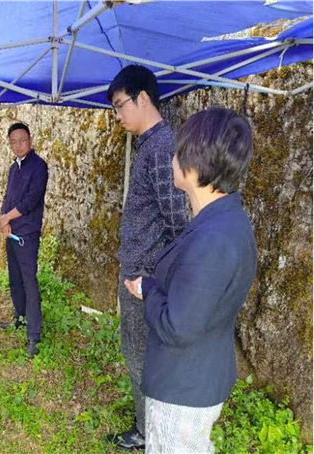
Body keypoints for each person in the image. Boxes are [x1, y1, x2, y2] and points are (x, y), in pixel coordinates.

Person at [126, 107, 257, 453]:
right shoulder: (225, 221)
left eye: (178, 152)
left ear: (195, 164)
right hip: (197, 376)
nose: (172, 159)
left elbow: (177, 327)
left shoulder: (212, 239)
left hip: (183, 388)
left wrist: (148, 289)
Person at [105, 65, 188, 451]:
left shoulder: (161, 147)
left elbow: (177, 220)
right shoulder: (152, 144)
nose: (118, 115)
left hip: (145, 277)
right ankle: (149, 426)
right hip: (140, 272)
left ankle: (151, 434)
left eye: (120, 105)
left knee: (141, 356)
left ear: (142, 98)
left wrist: (159, 279)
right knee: (138, 353)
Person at [0, 122, 48, 358]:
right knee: (15, 279)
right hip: (12, 232)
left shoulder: (39, 166)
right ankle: (19, 317)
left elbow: (31, 200)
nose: (18, 145)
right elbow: (8, 198)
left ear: (30, 140)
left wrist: (7, 217)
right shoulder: (13, 168)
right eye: (14, 142)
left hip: (27, 234)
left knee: (29, 282)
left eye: (22, 140)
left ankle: (34, 336)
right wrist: (4, 220)